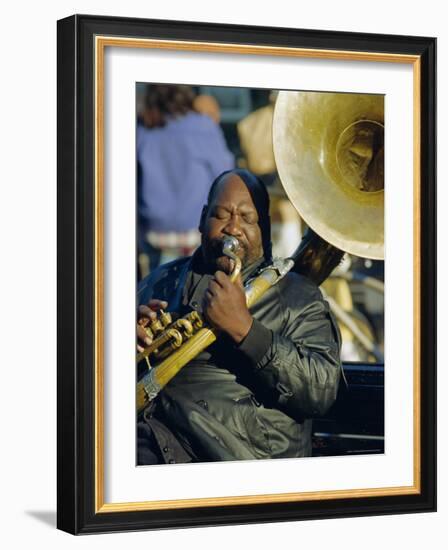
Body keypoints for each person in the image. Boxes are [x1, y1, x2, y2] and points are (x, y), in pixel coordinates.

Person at [136, 168, 342, 464]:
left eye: (247, 218)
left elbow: (321, 389)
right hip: (149, 440)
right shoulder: (161, 280)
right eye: (221, 215)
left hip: (228, 459)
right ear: (202, 219)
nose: (232, 228)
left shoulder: (298, 296)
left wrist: (245, 330)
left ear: (265, 230)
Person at [137, 84, 234, 275]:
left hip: (152, 230)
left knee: (154, 288)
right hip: (193, 228)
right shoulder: (202, 126)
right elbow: (226, 175)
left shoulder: (142, 130)